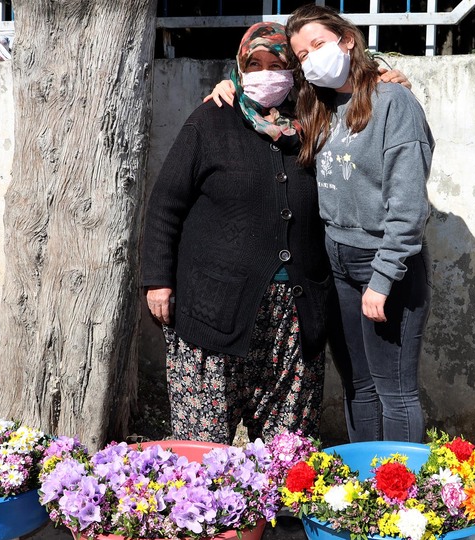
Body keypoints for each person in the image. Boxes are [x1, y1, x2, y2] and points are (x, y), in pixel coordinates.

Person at [141, 22, 330, 444]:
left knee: (287, 449)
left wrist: (387, 74)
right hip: (214, 307)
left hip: (294, 316)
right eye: (254, 64)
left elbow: (361, 89)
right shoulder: (211, 119)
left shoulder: (314, 124)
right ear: (239, 68)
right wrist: (157, 280)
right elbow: (166, 203)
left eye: (276, 64)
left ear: (294, 70)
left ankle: (278, 513)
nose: (265, 74)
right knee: (203, 451)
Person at [285, 4, 435, 443]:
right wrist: (226, 85)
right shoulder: (319, 107)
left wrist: (383, 278)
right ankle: (365, 493)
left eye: (318, 45)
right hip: (338, 263)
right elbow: (260, 97)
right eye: (302, 55)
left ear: (346, 40)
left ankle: (403, 500)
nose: (311, 58)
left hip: (385, 264)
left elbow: (407, 206)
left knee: (395, 390)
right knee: (359, 386)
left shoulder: (394, 103)